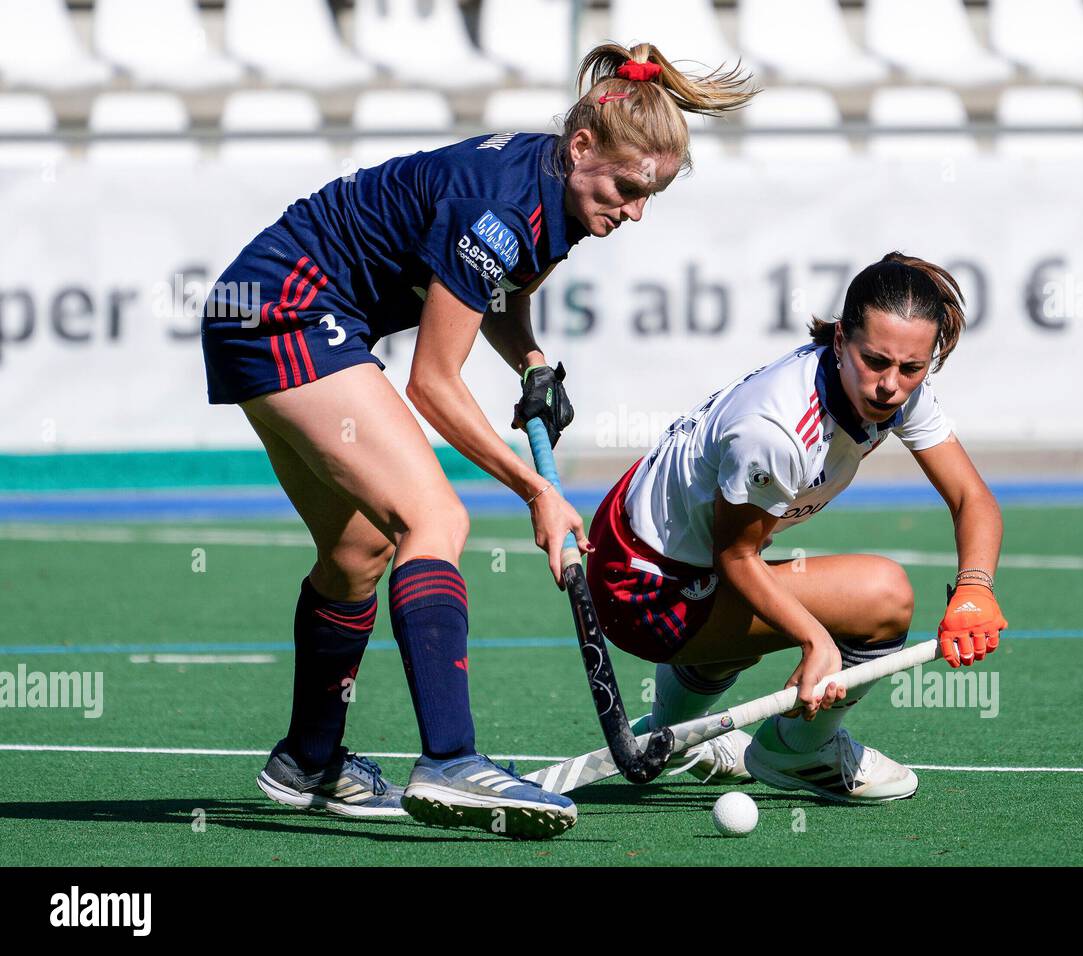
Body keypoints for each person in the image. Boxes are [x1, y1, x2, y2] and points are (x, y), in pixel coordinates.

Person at [199, 43, 757, 838]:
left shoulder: (555, 194)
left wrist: (528, 357)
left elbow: (490, 293)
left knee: (359, 549)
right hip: (285, 310)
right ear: (582, 148)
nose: (634, 211)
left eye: (651, 197)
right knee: (437, 520)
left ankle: (309, 760)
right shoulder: (503, 206)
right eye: (629, 189)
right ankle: (452, 761)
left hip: (268, 310)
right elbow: (432, 382)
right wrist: (537, 489)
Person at [585, 252, 1009, 803]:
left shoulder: (894, 387)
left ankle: (675, 735)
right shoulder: (777, 428)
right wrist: (816, 641)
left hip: (667, 555)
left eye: (911, 369)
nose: (889, 387)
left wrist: (976, 584)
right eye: (874, 361)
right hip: (642, 589)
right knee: (883, 595)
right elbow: (735, 558)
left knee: (764, 602)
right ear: (839, 340)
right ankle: (798, 751)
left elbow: (971, 498)